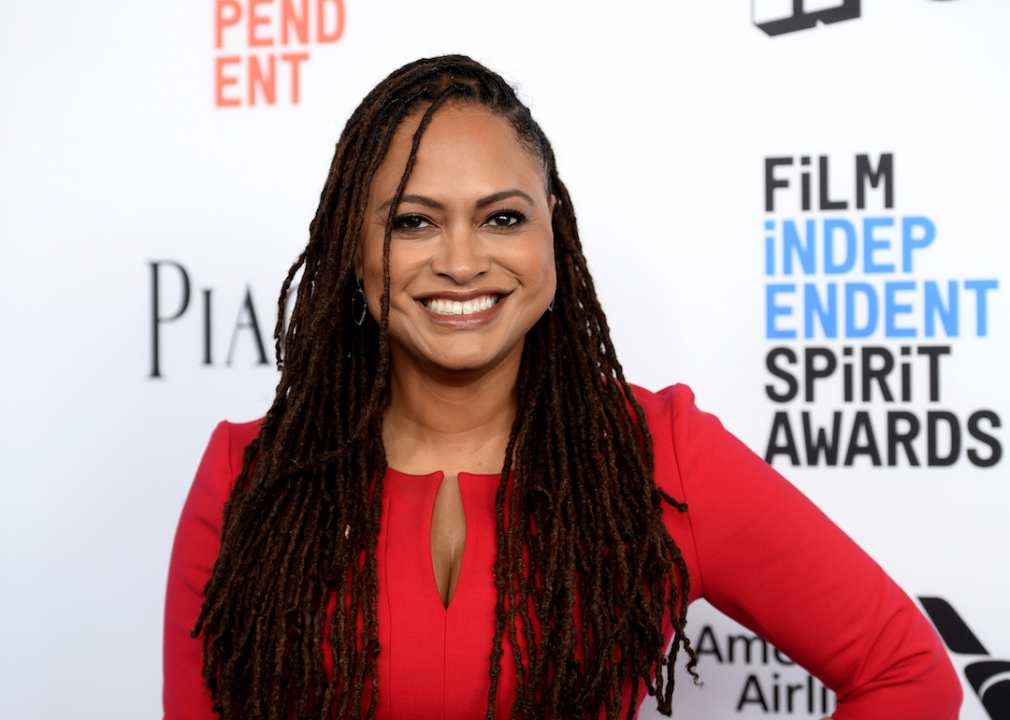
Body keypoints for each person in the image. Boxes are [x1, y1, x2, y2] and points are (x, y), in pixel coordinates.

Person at [163, 56, 962, 720]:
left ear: (553, 229)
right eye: (414, 221)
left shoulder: (656, 456)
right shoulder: (248, 477)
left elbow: (907, 671)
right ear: (354, 244)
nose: (463, 261)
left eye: (502, 218)